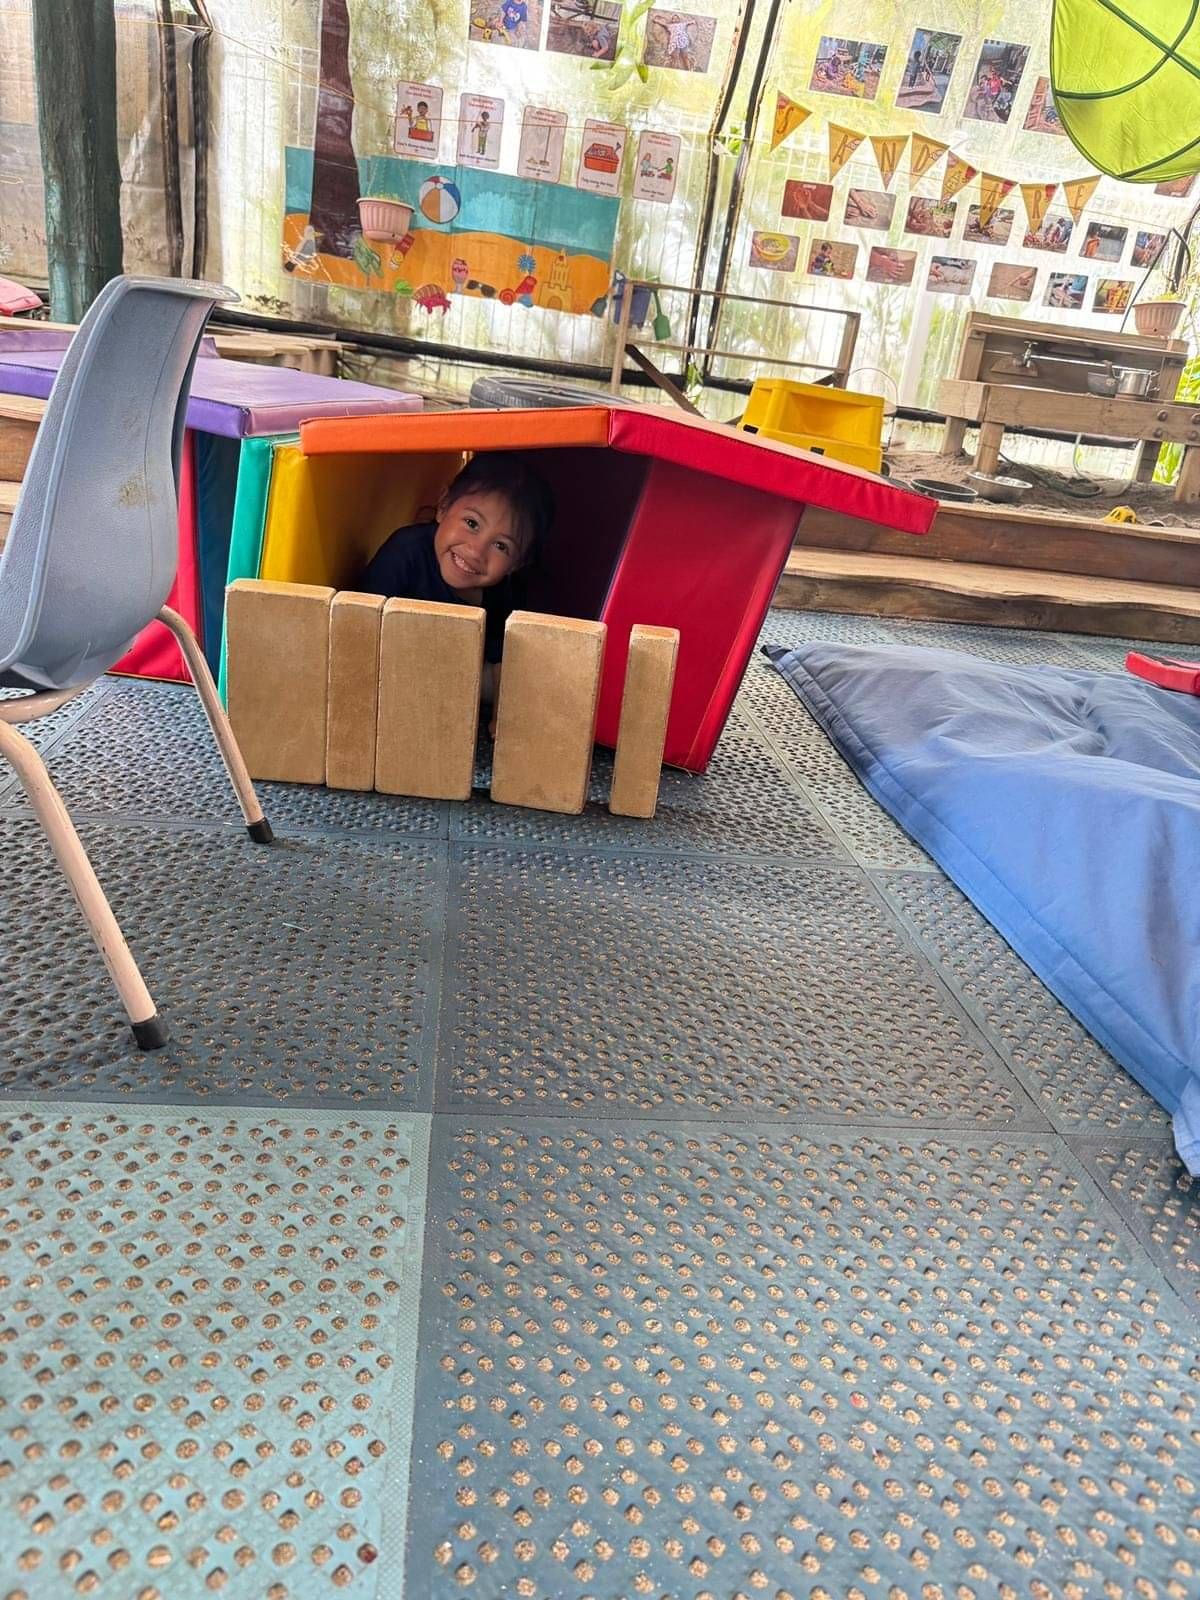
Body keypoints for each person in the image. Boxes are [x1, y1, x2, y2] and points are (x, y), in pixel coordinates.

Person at [360, 452, 554, 709]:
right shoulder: (405, 551)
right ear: (443, 506)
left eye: (501, 546)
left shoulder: (505, 593)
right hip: (387, 664)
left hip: (456, 680)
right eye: (472, 523)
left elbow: (501, 662)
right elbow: (361, 624)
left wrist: (501, 717)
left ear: (516, 564)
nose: (476, 551)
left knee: (516, 679)